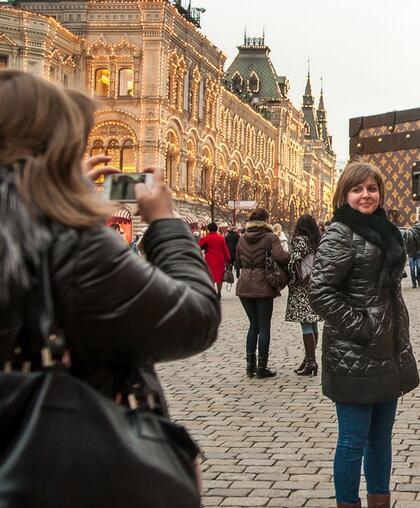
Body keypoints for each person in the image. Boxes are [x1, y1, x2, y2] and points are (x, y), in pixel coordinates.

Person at [0, 70, 219, 503]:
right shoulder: (67, 243)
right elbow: (195, 317)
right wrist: (165, 220)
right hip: (70, 465)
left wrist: (68, 191)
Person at [308, 162, 420, 508]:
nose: (366, 195)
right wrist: (362, 326)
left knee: (380, 439)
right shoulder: (340, 232)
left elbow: (411, 238)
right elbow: (319, 291)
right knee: (352, 441)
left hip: (387, 352)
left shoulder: (383, 228)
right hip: (355, 354)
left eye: (372, 189)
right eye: (357, 189)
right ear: (344, 195)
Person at [236, 208, 289, 378]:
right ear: (266, 220)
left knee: (253, 325)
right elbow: (281, 257)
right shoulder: (270, 237)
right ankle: (262, 367)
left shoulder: (242, 238)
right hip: (263, 286)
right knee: (264, 327)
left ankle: (249, 366)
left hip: (244, 285)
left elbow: (237, 260)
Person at [285, 214, 322, 376]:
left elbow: (294, 262)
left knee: (306, 323)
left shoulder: (299, 240)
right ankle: (308, 359)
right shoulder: (318, 240)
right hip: (314, 284)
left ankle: (311, 361)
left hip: (302, 286)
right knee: (312, 321)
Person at [198, 222, 231, 299]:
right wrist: (228, 260)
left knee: (211, 277)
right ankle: (219, 293)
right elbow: (225, 250)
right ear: (216, 229)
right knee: (219, 278)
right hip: (220, 260)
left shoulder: (205, 238)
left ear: (209, 229)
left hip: (209, 260)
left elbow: (198, 246)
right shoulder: (221, 238)